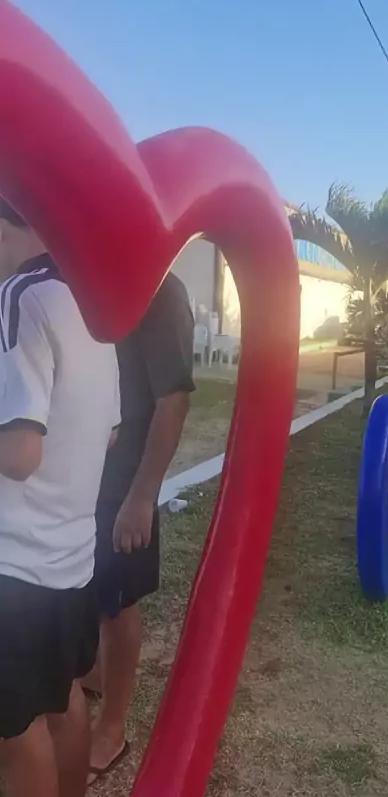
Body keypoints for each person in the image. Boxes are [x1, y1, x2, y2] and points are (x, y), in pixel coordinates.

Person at [0, 198, 121, 797]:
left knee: (13, 737)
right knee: (64, 696)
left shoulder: (19, 295)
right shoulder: (92, 304)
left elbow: (20, 453)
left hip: (14, 566)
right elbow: (111, 430)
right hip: (72, 559)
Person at [84, 272, 195, 783]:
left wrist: (143, 496)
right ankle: (93, 675)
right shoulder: (93, 278)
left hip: (122, 481)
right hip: (81, 473)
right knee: (85, 590)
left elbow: (174, 400)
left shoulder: (161, 290)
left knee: (118, 602)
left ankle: (112, 729)